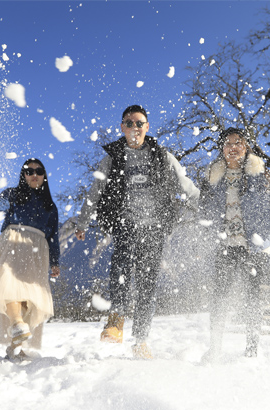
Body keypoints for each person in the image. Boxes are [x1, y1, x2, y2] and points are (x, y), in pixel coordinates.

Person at [75, 104, 200, 359]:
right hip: (125, 223)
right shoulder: (112, 157)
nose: (134, 128)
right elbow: (94, 193)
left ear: (147, 127)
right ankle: (116, 320)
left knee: (147, 285)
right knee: (120, 268)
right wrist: (82, 222)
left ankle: (141, 340)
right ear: (122, 127)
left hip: (154, 227)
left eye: (139, 123)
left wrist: (205, 207)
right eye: (129, 123)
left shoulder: (161, 155)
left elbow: (185, 184)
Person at [198, 127, 270, 360]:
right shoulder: (213, 178)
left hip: (254, 247)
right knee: (219, 297)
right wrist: (202, 245)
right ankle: (215, 347)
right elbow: (204, 214)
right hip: (225, 246)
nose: (233, 147)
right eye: (228, 143)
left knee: (252, 298)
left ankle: (252, 349)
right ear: (222, 149)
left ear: (246, 147)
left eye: (238, 143)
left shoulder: (261, 176)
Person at [0, 158, 60, 360]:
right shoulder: (13, 194)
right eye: (29, 171)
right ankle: (17, 323)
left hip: (37, 248)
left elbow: (53, 236)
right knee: (9, 285)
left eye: (39, 171)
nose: (34, 174)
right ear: (23, 175)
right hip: (13, 241)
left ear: (44, 175)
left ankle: (16, 345)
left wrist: (55, 261)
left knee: (28, 297)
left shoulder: (50, 207)